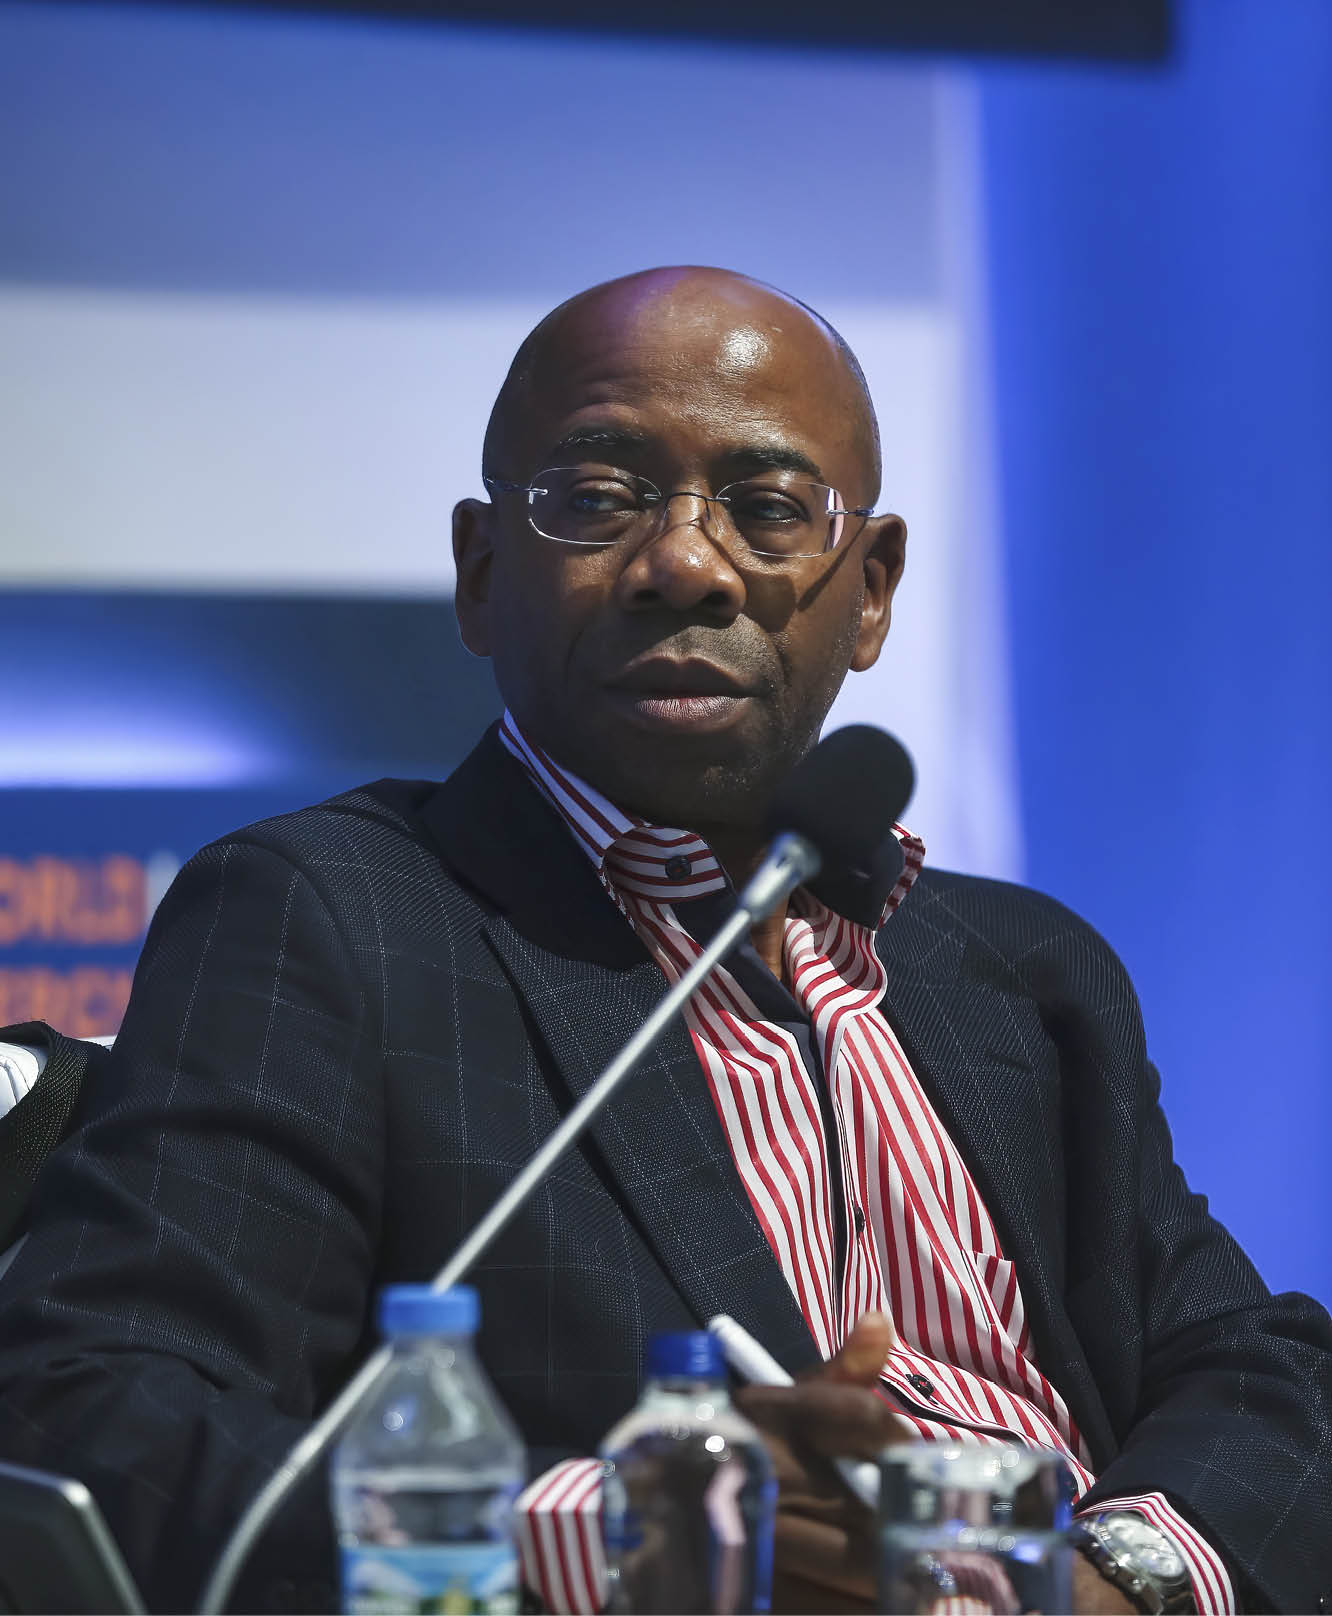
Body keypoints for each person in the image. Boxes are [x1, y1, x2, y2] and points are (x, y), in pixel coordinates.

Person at [0, 266, 1329, 1615]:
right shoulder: (332, 921)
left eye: (764, 510)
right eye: (597, 499)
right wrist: (633, 1536)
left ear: (868, 593)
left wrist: (1125, 1580)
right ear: (479, 573)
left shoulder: (1025, 974)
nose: (685, 565)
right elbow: (95, 1416)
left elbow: (1266, 1368)